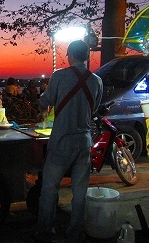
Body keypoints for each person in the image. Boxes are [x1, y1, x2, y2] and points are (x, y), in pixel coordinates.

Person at [34, 40, 103, 243]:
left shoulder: (59, 76)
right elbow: (95, 108)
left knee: (49, 189)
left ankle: (45, 232)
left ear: (70, 55)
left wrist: (42, 112)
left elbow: (45, 102)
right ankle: (74, 233)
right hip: (84, 142)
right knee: (80, 192)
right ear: (87, 56)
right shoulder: (97, 81)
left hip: (61, 141)